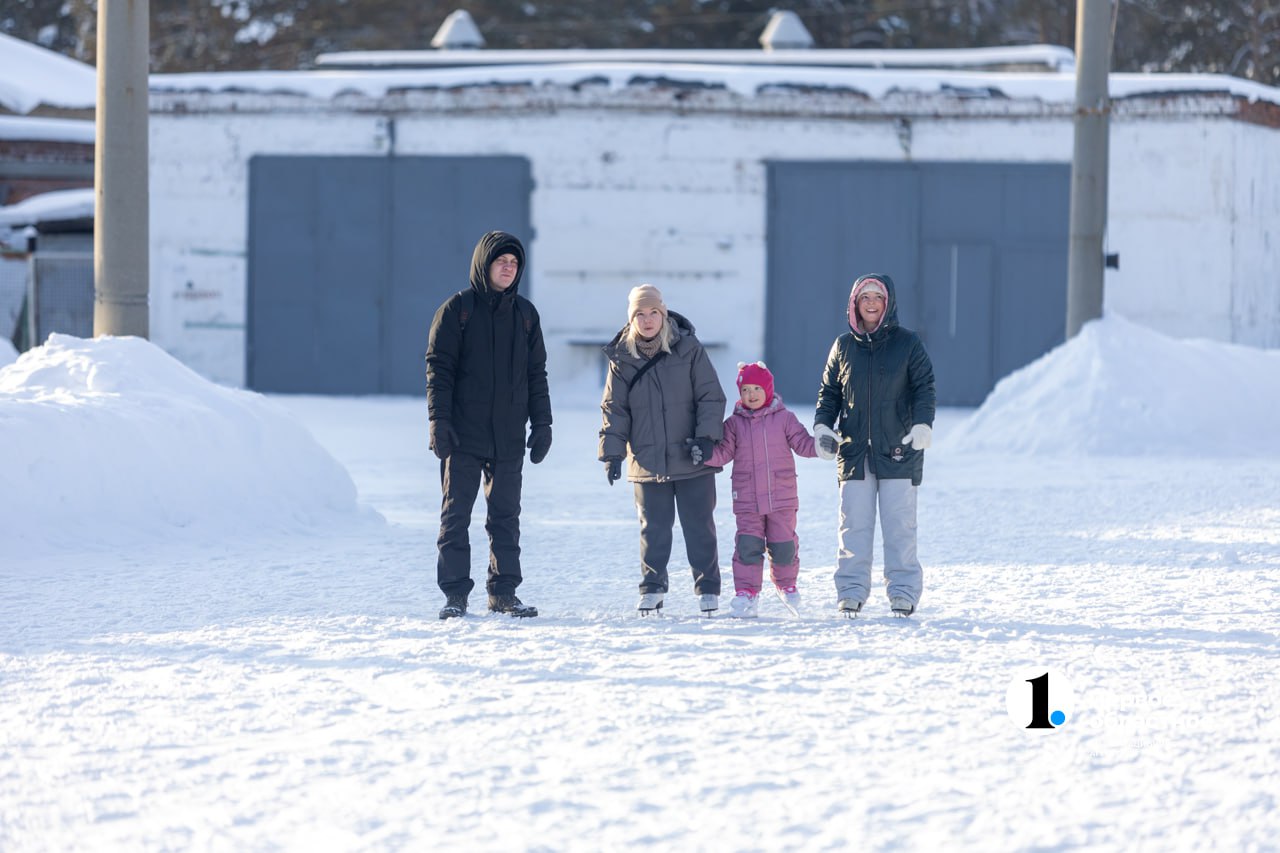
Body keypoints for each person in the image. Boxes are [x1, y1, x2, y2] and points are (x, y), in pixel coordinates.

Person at [425, 231, 552, 620]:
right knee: (456, 515)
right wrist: (438, 421)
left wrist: (542, 423)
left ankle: (504, 592)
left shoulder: (526, 316)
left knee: (505, 518)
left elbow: (536, 374)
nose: (509, 268)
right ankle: (455, 595)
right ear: (485, 264)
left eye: (514, 262)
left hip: (509, 435)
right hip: (463, 434)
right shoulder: (457, 310)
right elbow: (438, 370)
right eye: (501, 261)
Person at [599, 284, 726, 616]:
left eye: (653, 312)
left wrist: (706, 438)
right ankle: (652, 587)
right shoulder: (622, 358)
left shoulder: (688, 348)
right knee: (652, 528)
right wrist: (613, 452)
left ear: (663, 313)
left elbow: (710, 396)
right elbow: (614, 409)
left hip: (691, 456)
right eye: (640, 314)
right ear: (632, 318)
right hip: (646, 458)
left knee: (699, 526)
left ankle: (708, 588)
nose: (647, 319)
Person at [814, 273, 936, 618]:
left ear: (888, 303)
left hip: (899, 450)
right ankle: (851, 591)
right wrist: (823, 425)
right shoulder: (843, 346)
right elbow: (829, 393)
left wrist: (923, 424)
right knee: (853, 526)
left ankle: (903, 592)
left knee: (900, 527)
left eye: (877, 297)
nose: (870, 303)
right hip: (853, 453)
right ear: (854, 303)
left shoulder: (908, 344)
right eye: (864, 297)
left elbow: (924, 388)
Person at [696, 361, 820, 618]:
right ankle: (746, 592)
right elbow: (724, 453)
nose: (751, 395)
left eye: (756, 389)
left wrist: (823, 446)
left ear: (768, 389)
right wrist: (704, 454)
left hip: (781, 496)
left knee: (784, 544)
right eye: (745, 390)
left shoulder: (785, 419)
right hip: (747, 498)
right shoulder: (733, 424)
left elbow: (803, 444)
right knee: (748, 545)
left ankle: (786, 585)